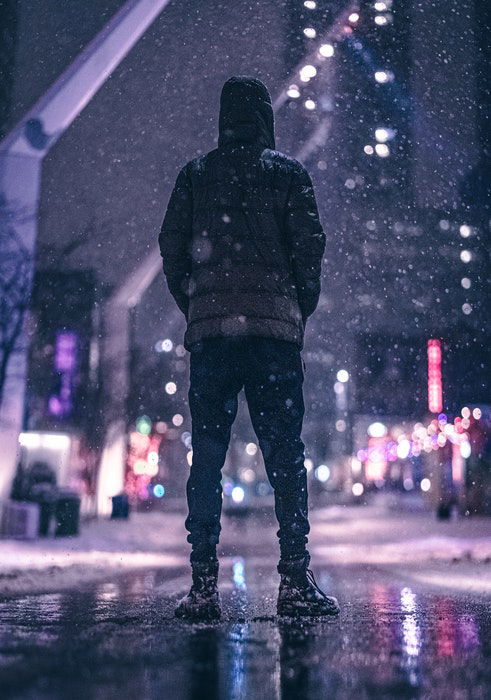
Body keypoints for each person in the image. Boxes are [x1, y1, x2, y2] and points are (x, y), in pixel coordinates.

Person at [159, 76, 339, 620]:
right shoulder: (287, 174)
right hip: (273, 339)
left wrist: (197, 303)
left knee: (208, 456)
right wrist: (295, 307)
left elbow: (171, 247)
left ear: (223, 118)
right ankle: (293, 578)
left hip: (213, 338)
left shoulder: (196, 175)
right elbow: (310, 248)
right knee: (285, 455)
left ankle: (202, 584)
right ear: (265, 117)